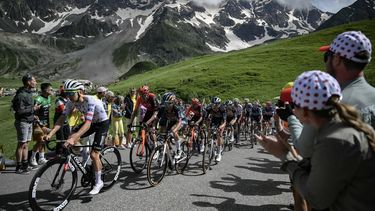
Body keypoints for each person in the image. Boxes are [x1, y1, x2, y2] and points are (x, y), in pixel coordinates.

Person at [257, 70, 375, 211]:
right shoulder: (342, 126)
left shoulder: (332, 139)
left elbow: (315, 197)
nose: (293, 112)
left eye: (294, 108)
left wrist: (284, 156)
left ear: (304, 109)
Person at [288, 31, 375, 158]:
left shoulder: (328, 102)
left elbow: (305, 148)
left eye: (327, 56)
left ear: (337, 59)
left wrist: (292, 119)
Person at [45, 80, 110, 195]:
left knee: (94, 154)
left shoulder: (90, 100)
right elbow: (62, 119)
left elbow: (88, 124)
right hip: (91, 123)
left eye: (71, 94)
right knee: (71, 136)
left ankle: (99, 182)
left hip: (101, 123)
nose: (69, 97)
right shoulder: (71, 103)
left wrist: (74, 138)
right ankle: (84, 158)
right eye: (67, 94)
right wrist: (51, 133)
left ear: (79, 92)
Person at [12, 73, 39, 174]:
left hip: (28, 121)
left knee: (26, 144)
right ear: (28, 82)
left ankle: (25, 164)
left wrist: (33, 115)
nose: (35, 82)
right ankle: (18, 167)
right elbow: (19, 111)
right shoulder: (21, 95)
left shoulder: (28, 93)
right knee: (21, 144)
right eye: (34, 80)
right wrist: (33, 109)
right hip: (22, 122)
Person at [30, 83, 53, 166]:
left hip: (46, 122)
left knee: (44, 140)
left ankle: (41, 158)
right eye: (50, 89)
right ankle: (32, 158)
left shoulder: (49, 98)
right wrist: (40, 124)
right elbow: (34, 113)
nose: (52, 90)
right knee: (40, 140)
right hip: (38, 123)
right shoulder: (38, 99)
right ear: (45, 90)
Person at [205, 97, 226, 162]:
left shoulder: (222, 109)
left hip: (221, 122)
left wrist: (221, 127)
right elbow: (205, 119)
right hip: (213, 120)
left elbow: (225, 122)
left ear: (219, 104)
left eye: (216, 104)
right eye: (213, 104)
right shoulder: (209, 108)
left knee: (219, 135)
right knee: (209, 131)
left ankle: (219, 153)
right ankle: (209, 146)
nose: (215, 106)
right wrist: (206, 126)